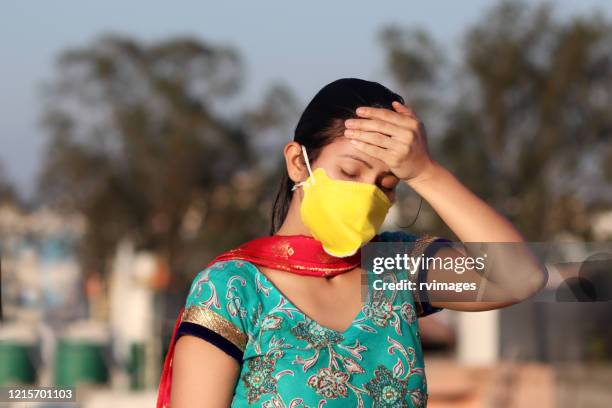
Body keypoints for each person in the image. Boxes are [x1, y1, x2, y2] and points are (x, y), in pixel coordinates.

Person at [157, 78, 547, 408]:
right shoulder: (233, 288)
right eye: (349, 171)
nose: (366, 194)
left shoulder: (394, 268)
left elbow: (519, 277)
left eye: (386, 185)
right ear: (297, 163)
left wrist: (426, 173)